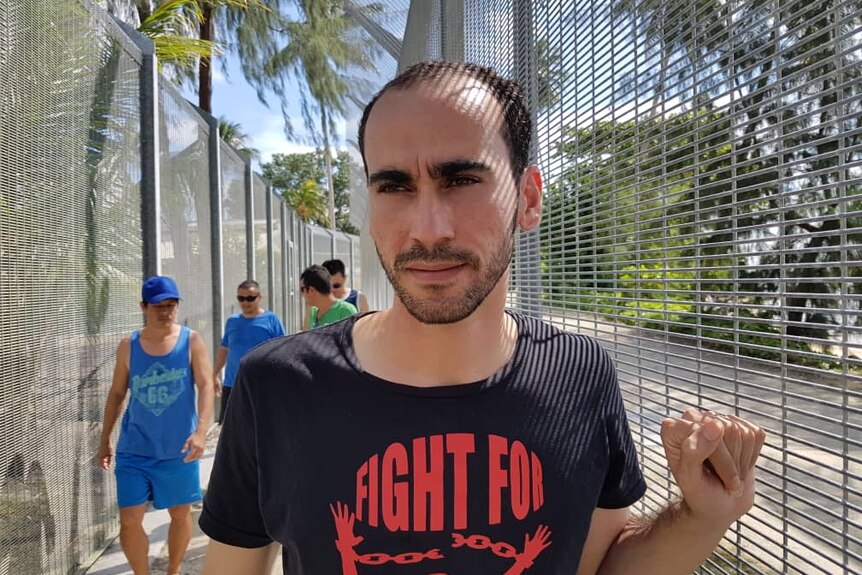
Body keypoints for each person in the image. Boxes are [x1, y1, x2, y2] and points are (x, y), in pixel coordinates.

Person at [199, 62, 765, 574]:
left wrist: (701, 517)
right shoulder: (277, 383)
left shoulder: (578, 373)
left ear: (528, 198)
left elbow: (599, 567)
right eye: (394, 186)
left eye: (462, 180)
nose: (428, 228)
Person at [98, 275, 214, 575]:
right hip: (134, 449)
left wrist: (201, 431)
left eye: (171, 305)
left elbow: (204, 386)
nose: (165, 312)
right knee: (130, 519)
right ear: (143, 307)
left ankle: (173, 569)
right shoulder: (129, 345)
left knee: (179, 514)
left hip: (179, 448)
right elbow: (117, 393)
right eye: (158, 306)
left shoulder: (191, 341)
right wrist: (105, 438)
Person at [213, 280, 285, 424]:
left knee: (261, 427)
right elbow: (224, 348)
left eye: (250, 298)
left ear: (259, 297)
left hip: (261, 385)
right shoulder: (232, 321)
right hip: (232, 385)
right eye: (241, 298)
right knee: (231, 430)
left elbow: (282, 350)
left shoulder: (272, 320)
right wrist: (214, 374)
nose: (245, 302)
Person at [300, 264, 358, 330]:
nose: (302, 295)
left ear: (311, 290)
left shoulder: (346, 311)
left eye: (302, 289)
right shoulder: (312, 311)